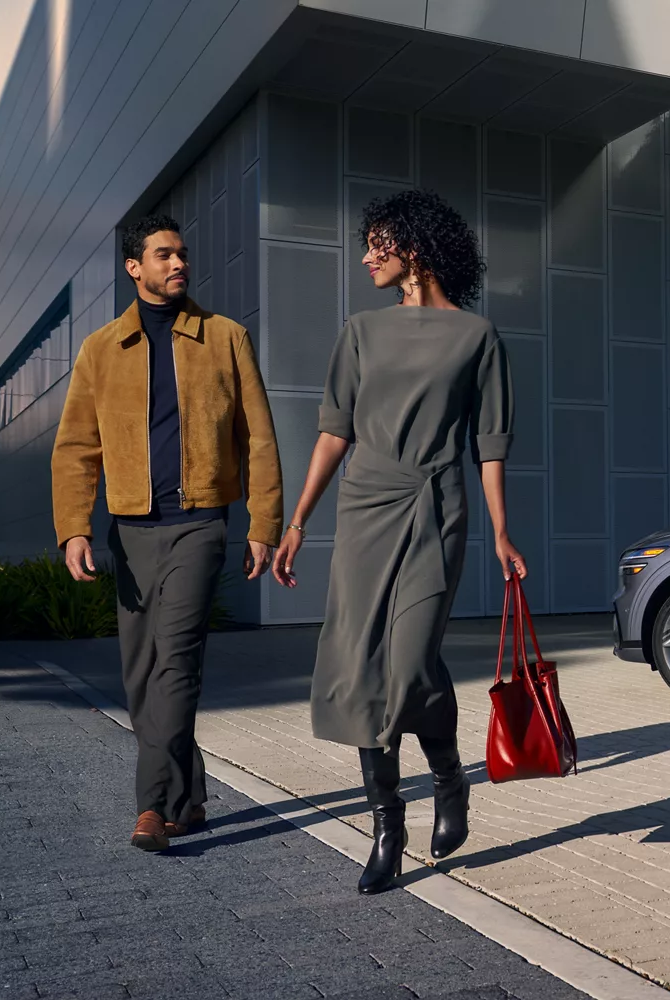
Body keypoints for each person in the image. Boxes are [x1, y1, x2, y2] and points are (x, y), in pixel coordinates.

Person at [272, 189, 525, 894]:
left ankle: (448, 778)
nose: (366, 257)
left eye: (378, 245)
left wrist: (503, 531)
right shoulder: (359, 331)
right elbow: (333, 431)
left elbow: (491, 445)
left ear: (412, 247)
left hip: (436, 507)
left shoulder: (478, 338)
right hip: (365, 508)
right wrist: (297, 522)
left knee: (410, 664)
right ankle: (388, 824)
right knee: (360, 666)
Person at [52, 214, 283, 851]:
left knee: (176, 662)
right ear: (135, 267)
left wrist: (263, 523)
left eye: (182, 253)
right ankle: (191, 797)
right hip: (131, 530)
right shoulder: (101, 348)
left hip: (200, 522)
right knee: (141, 675)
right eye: (164, 255)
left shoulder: (225, 338)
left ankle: (152, 806)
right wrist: (75, 526)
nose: (178, 264)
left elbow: (257, 439)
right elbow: (76, 446)